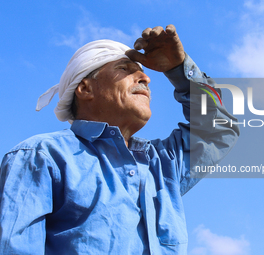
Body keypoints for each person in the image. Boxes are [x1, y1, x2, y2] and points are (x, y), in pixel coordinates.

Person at [0, 25, 239, 254]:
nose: (145, 78)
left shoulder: (161, 165)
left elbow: (219, 129)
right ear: (85, 89)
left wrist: (178, 70)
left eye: (143, 73)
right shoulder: (42, 156)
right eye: (125, 69)